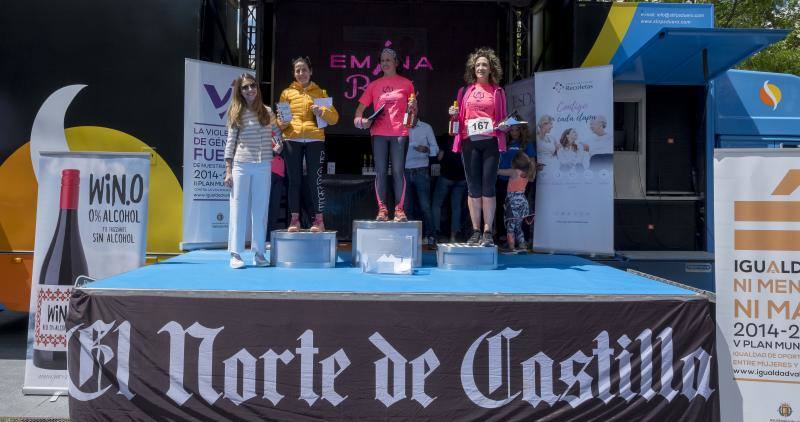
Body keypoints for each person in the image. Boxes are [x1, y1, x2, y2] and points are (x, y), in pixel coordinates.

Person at [449, 47, 509, 246]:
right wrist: (453, 115)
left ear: (491, 68)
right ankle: (475, 230)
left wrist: (503, 125)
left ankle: (488, 232)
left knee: (488, 187)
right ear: (473, 69)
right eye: (478, 65)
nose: (481, 68)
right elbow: (458, 118)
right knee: (473, 188)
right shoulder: (465, 91)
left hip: (491, 142)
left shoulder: (498, 92)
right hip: (469, 143)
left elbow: (503, 120)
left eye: (485, 64)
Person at [354, 47, 416, 222]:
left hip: (399, 132)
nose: (385, 63)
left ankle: (399, 210)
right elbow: (358, 113)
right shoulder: (374, 85)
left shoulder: (406, 84)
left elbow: (413, 114)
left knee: (398, 171)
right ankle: (382, 209)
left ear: (396, 62)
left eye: (388, 60)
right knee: (380, 172)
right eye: (382, 60)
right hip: (379, 133)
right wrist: (363, 122)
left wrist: (413, 110)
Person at [277, 57, 339, 232]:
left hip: (315, 139)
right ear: (294, 73)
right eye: (297, 70)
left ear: (310, 71)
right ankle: (294, 220)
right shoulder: (286, 93)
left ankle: (319, 220)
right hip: (292, 138)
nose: (301, 73)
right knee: (294, 180)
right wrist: (283, 121)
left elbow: (334, 118)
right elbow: (280, 123)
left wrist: (322, 111)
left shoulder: (320, 92)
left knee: (315, 180)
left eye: (304, 69)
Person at [224, 73, 276, 269]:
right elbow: (230, 143)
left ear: (257, 88)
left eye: (252, 86)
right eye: (245, 88)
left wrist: (277, 145)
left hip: (264, 165)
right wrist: (228, 170)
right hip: (241, 165)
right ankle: (236, 254)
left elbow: (277, 135)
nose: (249, 90)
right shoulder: (236, 112)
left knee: (260, 211)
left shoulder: (267, 112)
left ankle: (259, 253)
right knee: (238, 209)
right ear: (240, 91)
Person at [496, 124, 536, 246]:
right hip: (503, 180)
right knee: (501, 209)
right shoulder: (503, 143)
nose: (514, 132)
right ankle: (503, 236)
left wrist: (531, 176)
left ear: (521, 130)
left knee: (519, 213)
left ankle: (521, 239)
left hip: (520, 182)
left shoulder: (526, 144)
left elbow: (532, 162)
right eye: (511, 130)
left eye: (517, 129)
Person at [405, 118, 439, 245]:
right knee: (407, 207)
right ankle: (410, 237)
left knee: (425, 206)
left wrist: (427, 150)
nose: (411, 112)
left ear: (417, 110)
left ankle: (431, 237)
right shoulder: (400, 126)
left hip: (421, 170)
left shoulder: (426, 127)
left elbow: (436, 149)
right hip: (405, 170)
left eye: (413, 109)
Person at [431, 136, 467, 243]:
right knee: (456, 207)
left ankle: (436, 233)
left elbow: (439, 157)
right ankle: (453, 237)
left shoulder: (447, 138)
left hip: (446, 176)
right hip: (462, 178)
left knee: (436, 204)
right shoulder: (466, 138)